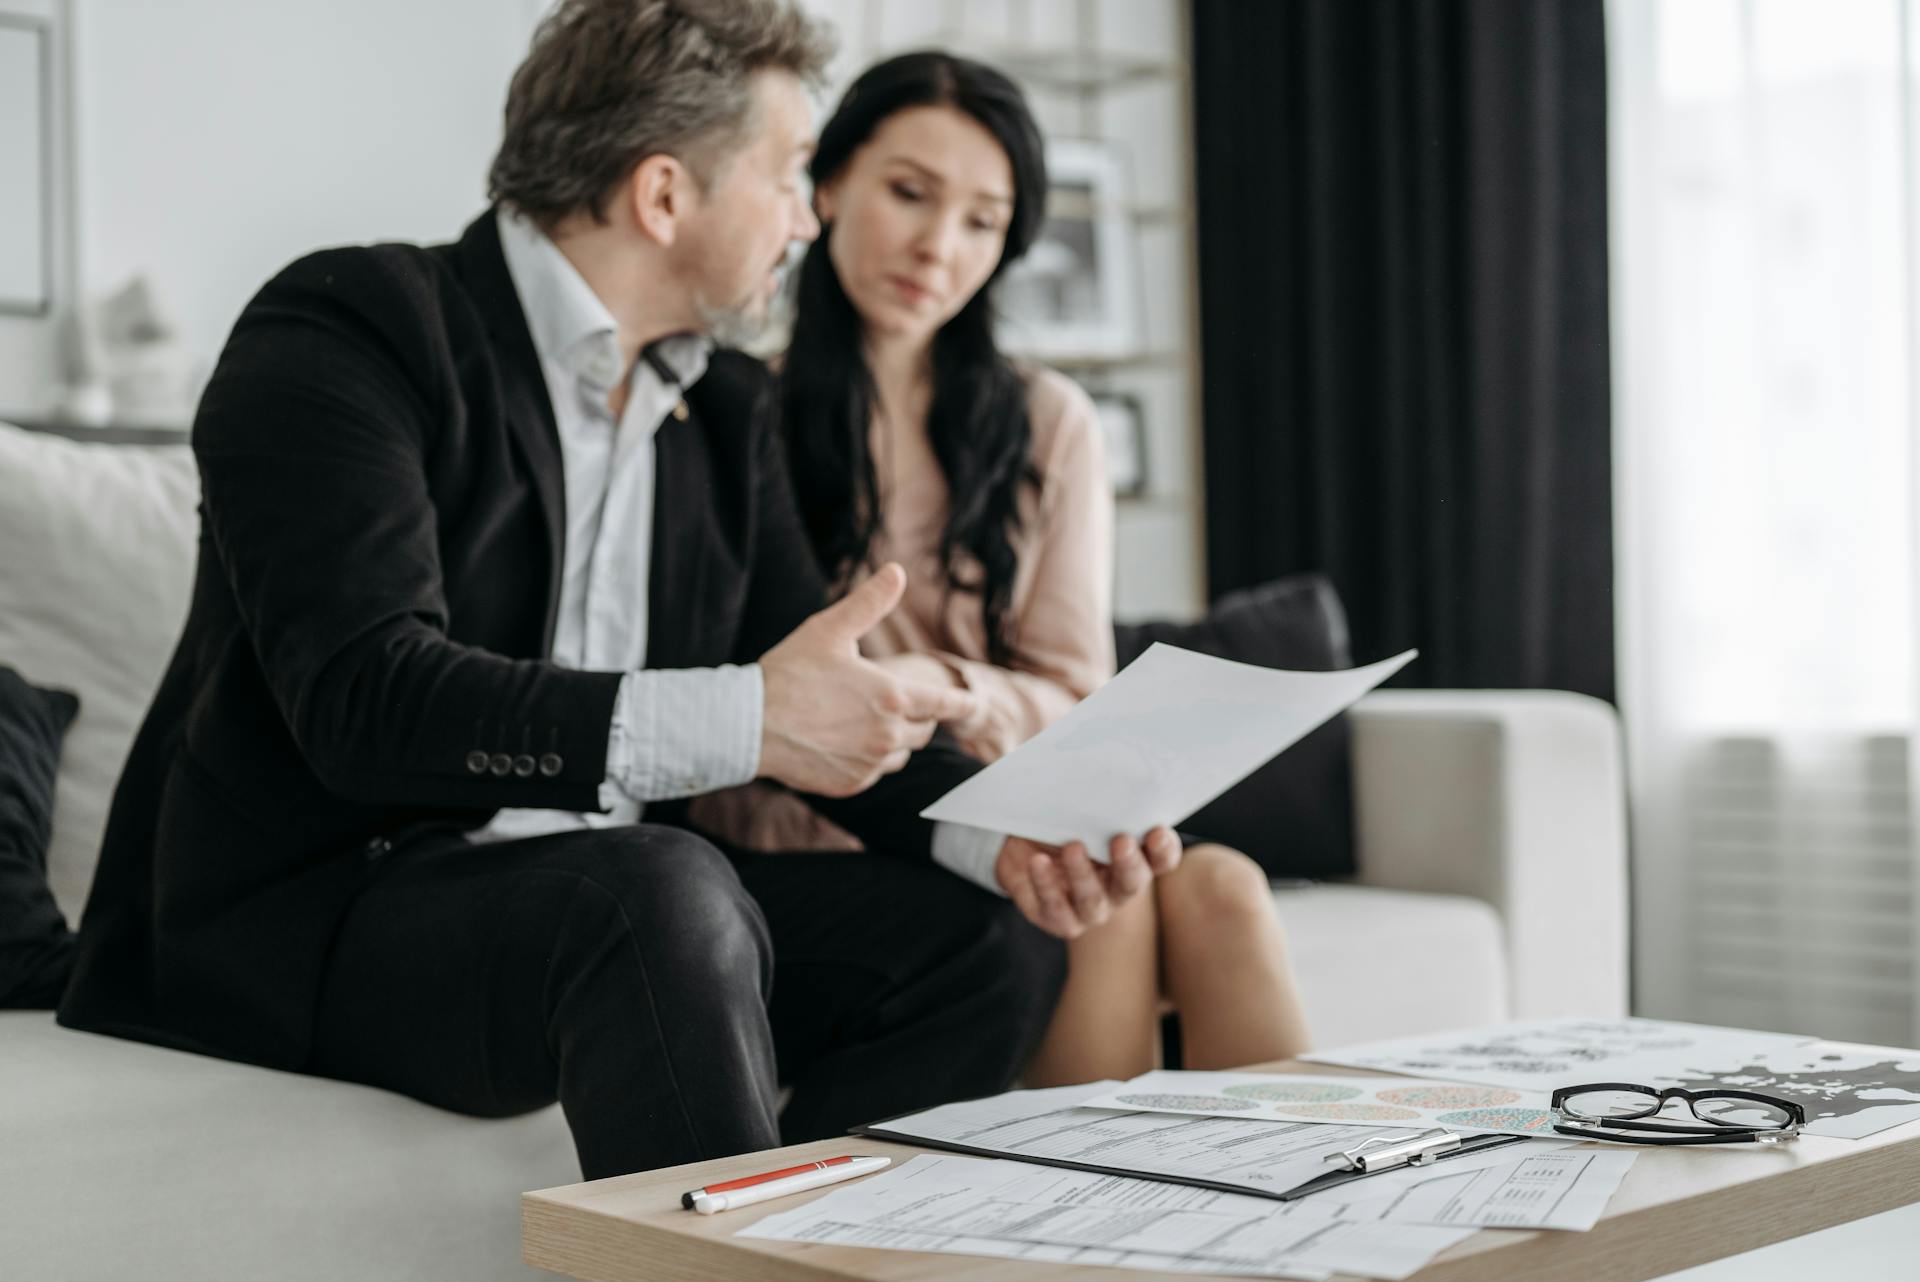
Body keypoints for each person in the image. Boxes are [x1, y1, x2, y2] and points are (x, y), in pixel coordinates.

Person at [57, 0, 1183, 1181]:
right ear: (663, 195)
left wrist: (1000, 839)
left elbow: (829, 704)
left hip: (619, 915)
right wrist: (747, 715)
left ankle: (802, 1234)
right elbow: (368, 700)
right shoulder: (350, 330)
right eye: (792, 173)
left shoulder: (725, 413)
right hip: (327, 917)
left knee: (985, 944)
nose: (808, 217)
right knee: (653, 888)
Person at [692, 51, 1313, 1084]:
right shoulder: (734, 415)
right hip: (831, 843)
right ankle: (1098, 1227)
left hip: (1018, 810)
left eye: (982, 221)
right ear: (830, 183)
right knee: (1099, 901)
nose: (938, 245)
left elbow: (1074, 692)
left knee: (1225, 888)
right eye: (909, 193)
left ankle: (1325, 1226)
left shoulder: (1044, 422)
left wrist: (943, 688)